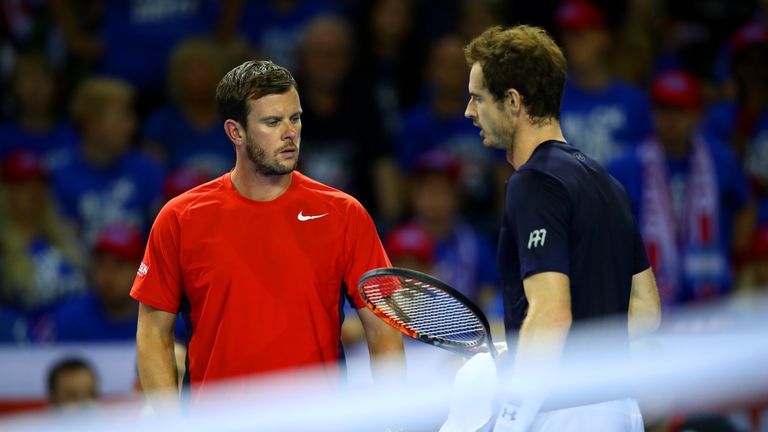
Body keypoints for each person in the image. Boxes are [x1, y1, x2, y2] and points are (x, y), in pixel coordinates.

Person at [131, 60, 404, 409]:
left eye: (296, 117)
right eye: (273, 122)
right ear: (236, 132)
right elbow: (153, 334)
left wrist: (394, 421)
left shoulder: (345, 214)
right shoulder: (180, 218)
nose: (290, 132)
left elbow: (383, 328)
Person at [461, 25, 661, 431]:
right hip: (621, 411)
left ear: (513, 102)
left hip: (563, 413)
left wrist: (512, 417)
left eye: (478, 98)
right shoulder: (608, 183)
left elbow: (551, 315)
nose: (469, 111)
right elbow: (646, 310)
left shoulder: (533, 184)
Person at [609, 70, 754, 305]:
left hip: (713, 297)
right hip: (650, 302)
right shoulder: (625, 165)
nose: (671, 119)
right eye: (664, 109)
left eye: (680, 110)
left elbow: (746, 207)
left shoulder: (721, 159)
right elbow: (610, 227)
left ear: (698, 115)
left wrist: (737, 259)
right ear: (652, 112)